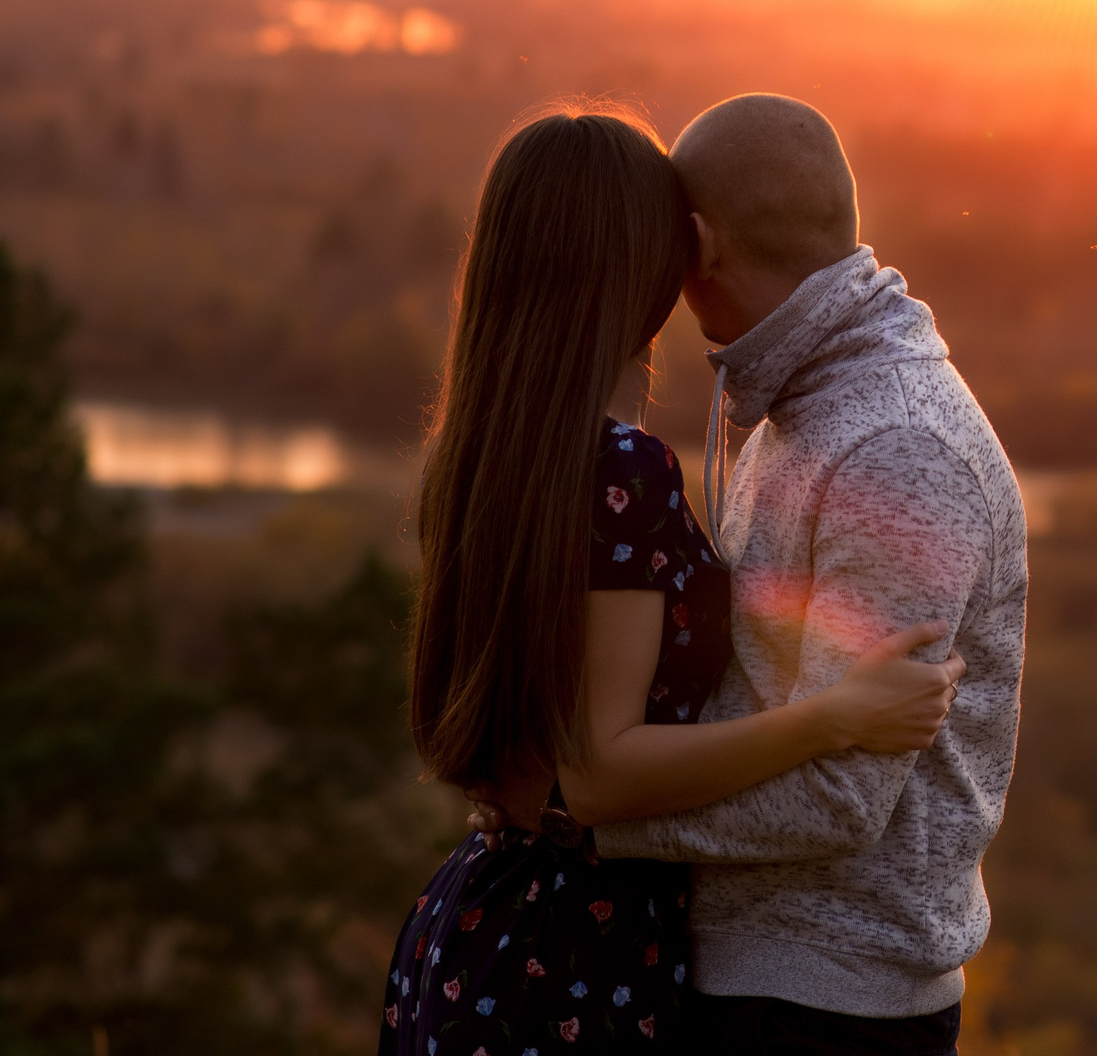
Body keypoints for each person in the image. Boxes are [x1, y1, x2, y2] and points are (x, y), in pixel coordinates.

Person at [380, 104, 967, 1055]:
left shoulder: (491, 453)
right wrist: (832, 717)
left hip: (481, 923)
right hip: (573, 958)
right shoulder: (621, 468)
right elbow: (601, 770)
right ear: (656, 255)